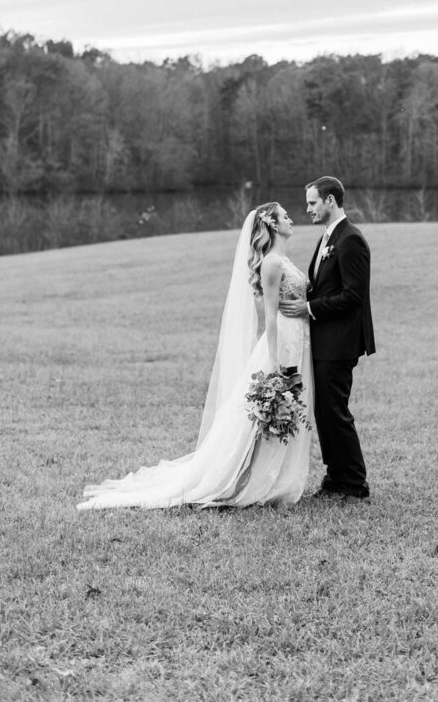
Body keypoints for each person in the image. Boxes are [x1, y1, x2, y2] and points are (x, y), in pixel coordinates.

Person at [77, 203, 313, 510]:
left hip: (298, 339)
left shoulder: (282, 258)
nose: (291, 219)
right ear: (271, 225)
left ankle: (273, 476)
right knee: (267, 417)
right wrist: (276, 364)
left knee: (290, 411)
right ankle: (248, 480)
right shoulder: (271, 263)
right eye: (284, 216)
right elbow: (269, 317)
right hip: (282, 344)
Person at [279, 176, 375, 502]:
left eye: (312, 203)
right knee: (324, 411)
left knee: (336, 411)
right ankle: (335, 477)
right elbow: (324, 284)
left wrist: (307, 308)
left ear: (330, 201)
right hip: (325, 341)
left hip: (341, 342)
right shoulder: (327, 237)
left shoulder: (351, 240)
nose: (307, 209)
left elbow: (353, 296)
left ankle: (355, 484)